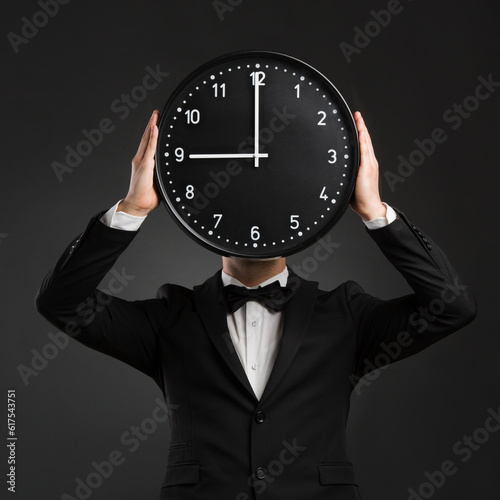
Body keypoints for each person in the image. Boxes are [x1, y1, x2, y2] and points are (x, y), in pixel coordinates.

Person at [36, 110, 477, 500]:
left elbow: (453, 306)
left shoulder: (346, 315)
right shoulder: (170, 317)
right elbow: (61, 301)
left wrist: (375, 212)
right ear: (208, 218)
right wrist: (132, 207)